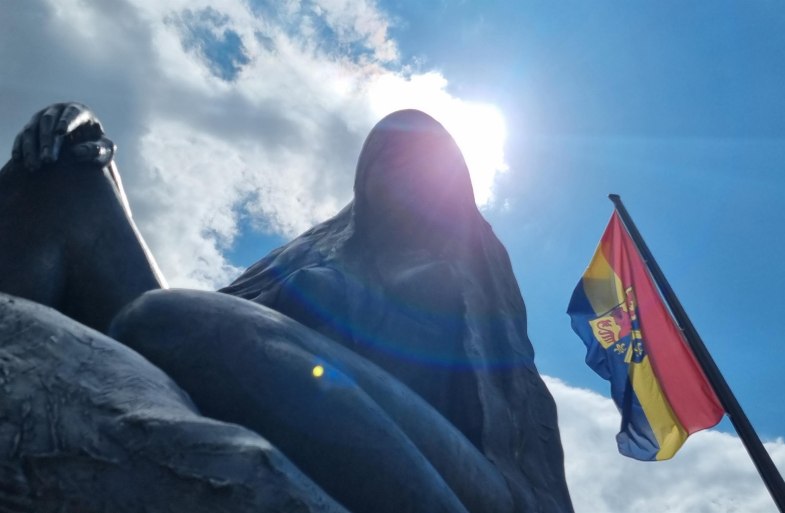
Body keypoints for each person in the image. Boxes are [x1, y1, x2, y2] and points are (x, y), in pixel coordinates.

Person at [0, 103, 574, 513]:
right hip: (242, 372)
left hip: (467, 486)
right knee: (63, 176)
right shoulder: (313, 262)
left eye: (424, 157)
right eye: (387, 154)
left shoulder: (469, 283)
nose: (401, 165)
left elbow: (520, 456)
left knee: (174, 322)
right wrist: (76, 136)